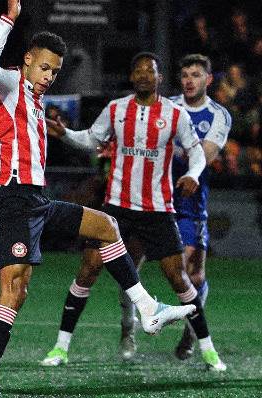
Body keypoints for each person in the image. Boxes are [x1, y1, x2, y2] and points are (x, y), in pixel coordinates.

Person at [0, 0, 195, 398]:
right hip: (14, 200)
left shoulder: (28, 99)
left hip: (37, 199)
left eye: (55, 71)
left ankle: (147, 308)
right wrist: (8, 20)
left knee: (107, 225)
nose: (49, 77)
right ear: (27, 61)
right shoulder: (13, 82)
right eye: (44, 67)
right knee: (12, 294)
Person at [39, 51, 227, 372]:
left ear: (159, 78)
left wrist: (193, 175)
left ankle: (209, 351)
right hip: (116, 211)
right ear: (132, 77)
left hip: (157, 210)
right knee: (88, 270)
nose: (143, 76)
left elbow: (196, 153)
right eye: (138, 71)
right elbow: (91, 139)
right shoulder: (116, 110)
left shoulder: (175, 113)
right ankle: (60, 347)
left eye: (149, 71)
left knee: (179, 279)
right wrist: (66, 134)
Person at [162, 54, 232, 360]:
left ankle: (192, 330)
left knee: (194, 273)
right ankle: (128, 324)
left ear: (208, 80)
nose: (189, 80)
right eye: (185, 74)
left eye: (195, 74)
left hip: (191, 201)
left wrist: (169, 147)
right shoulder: (168, 104)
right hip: (157, 195)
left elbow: (206, 155)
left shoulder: (218, 115)